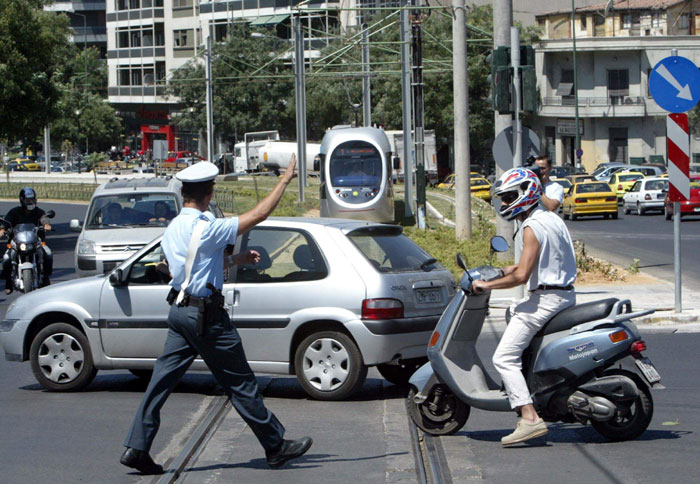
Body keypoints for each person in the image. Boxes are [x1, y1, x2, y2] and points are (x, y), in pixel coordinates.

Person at [120, 155, 312, 475]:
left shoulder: (174, 228)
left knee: (160, 383)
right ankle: (276, 446)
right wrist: (284, 180)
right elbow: (260, 213)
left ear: (184, 195)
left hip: (180, 312)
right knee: (240, 382)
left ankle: (137, 446)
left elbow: (188, 266)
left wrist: (236, 260)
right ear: (209, 196)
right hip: (207, 318)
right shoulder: (207, 228)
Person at [470, 167, 577, 446]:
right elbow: (543, 259)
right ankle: (529, 385)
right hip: (563, 294)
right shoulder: (551, 219)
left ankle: (529, 418)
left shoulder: (531, 226)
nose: (505, 204)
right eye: (503, 199)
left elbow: (522, 277)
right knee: (513, 312)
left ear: (525, 193)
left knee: (503, 357)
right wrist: (506, 268)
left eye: (508, 198)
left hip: (546, 300)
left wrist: (485, 285)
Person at [0, 188, 53, 293]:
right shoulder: (14, 212)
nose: (31, 202)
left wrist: (46, 224)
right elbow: (6, 222)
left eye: (32, 200)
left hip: (35, 241)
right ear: (22, 200)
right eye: (28, 200)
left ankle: (46, 278)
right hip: (17, 241)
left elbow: (44, 218)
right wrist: (2, 229)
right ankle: (8, 282)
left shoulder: (39, 212)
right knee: (6, 258)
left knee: (48, 254)